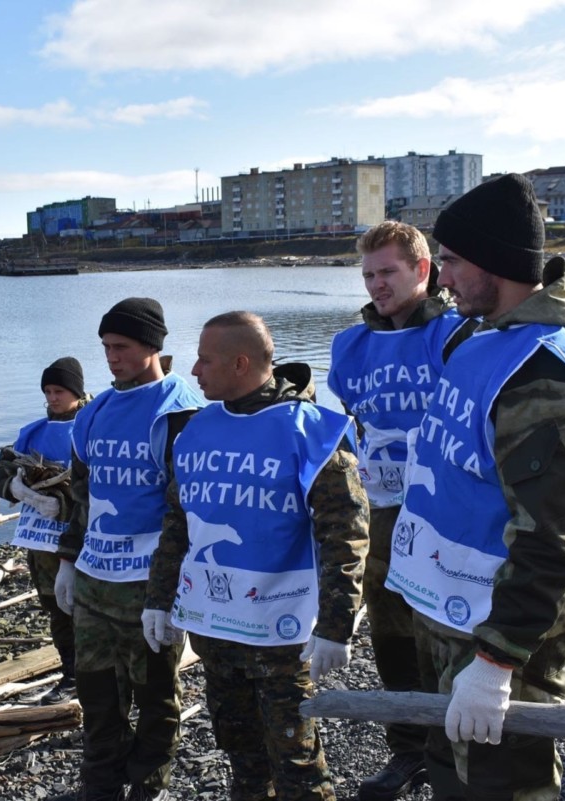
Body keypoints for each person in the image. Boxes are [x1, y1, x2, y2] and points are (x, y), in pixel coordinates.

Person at [383, 174, 565, 800]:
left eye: (452, 261)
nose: (442, 277)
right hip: (451, 617)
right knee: (453, 777)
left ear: (495, 262)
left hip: (494, 635)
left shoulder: (545, 376)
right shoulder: (487, 335)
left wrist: (497, 664)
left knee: (501, 784)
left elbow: (556, 537)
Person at [144, 311, 370, 801]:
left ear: (241, 363)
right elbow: (178, 523)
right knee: (241, 754)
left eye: (205, 360)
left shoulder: (311, 433)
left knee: (297, 763)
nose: (195, 371)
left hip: (282, 636)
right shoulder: (196, 430)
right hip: (215, 628)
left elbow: (345, 536)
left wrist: (337, 625)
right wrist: (158, 600)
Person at [327, 222, 470, 801]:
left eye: (387, 272)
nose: (376, 284)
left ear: (422, 270)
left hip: (445, 510)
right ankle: (409, 749)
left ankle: (456, 752)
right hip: (382, 512)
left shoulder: (459, 335)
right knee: (390, 632)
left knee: (446, 629)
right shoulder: (349, 346)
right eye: (367, 274)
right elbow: (349, 426)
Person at [54, 297, 204, 801]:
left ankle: (148, 784)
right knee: (96, 695)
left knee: (157, 698)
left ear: (152, 346)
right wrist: (67, 561)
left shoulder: (181, 410)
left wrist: (176, 590)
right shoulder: (92, 412)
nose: (110, 357)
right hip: (96, 583)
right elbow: (82, 493)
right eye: (105, 348)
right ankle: (100, 784)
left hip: (149, 585)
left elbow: (189, 509)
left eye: (120, 347)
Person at [0, 357, 90, 705]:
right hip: (40, 545)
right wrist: (17, 490)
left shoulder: (91, 425)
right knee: (54, 606)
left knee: (83, 610)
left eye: (59, 391)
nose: (52, 398)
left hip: (79, 542)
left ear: (76, 392)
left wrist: (61, 506)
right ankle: (70, 673)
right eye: (47, 391)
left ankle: (93, 677)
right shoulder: (33, 432)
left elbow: (96, 489)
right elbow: (2, 470)